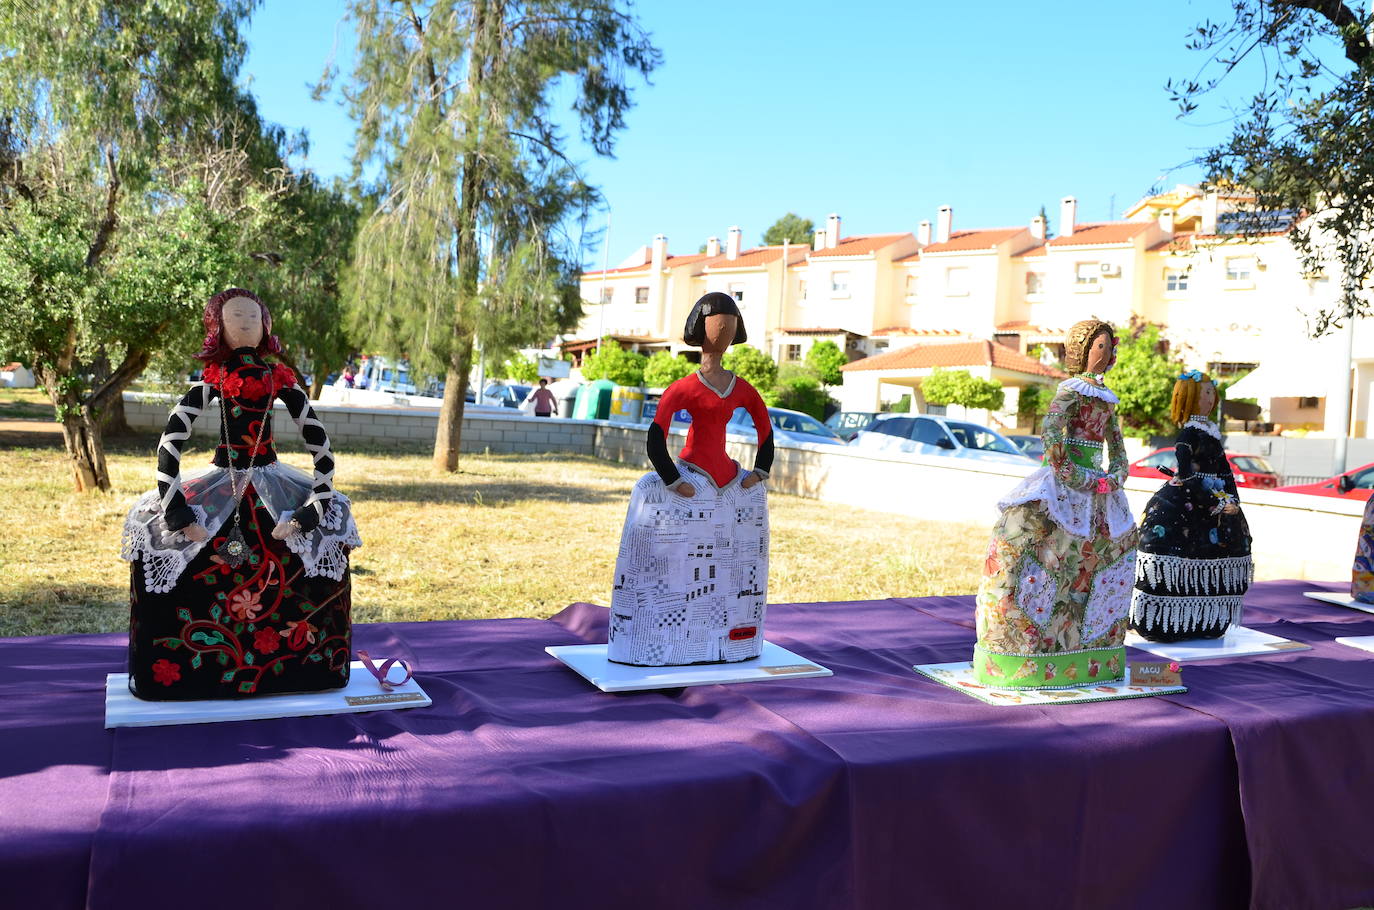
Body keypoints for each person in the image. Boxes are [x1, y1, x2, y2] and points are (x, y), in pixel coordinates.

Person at [120, 288, 361, 700]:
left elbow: (321, 447)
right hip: (222, 478)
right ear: (218, 326)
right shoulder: (213, 380)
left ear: (266, 325)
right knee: (153, 524)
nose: (246, 322)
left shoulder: (280, 379)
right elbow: (170, 441)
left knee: (328, 529)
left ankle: (307, 666)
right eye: (235, 316)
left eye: (254, 315)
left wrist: (317, 504)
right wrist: (175, 507)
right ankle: (181, 671)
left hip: (275, 481)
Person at [607, 292, 775, 666]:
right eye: (718, 322)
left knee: (737, 557)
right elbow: (656, 436)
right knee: (662, 545)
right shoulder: (685, 387)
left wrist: (759, 472)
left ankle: (732, 635)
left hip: (728, 481)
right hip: (690, 475)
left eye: (729, 324)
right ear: (701, 328)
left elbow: (766, 431)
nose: (724, 329)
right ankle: (650, 637)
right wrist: (670, 479)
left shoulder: (742, 389)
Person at [973, 318, 1138, 687]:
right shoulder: (1071, 390)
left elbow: (1118, 444)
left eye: (1110, 347)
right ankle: (1021, 649)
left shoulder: (1107, 398)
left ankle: (1092, 648)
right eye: (1099, 346)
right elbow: (1051, 431)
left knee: (1114, 550)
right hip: (1067, 481)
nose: (1106, 352)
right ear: (1081, 350)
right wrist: (1069, 473)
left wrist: (1116, 475)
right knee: (1033, 542)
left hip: (1099, 486)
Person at [1130, 371, 1252, 640]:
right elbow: (1185, 472)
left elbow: (1225, 470)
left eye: (1211, 392)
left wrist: (1232, 499)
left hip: (1218, 500)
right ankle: (1165, 623)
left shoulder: (1211, 433)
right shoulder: (1189, 433)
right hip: (1190, 499)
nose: (1210, 398)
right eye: (1204, 392)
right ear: (1190, 397)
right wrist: (1212, 502)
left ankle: (1208, 620)